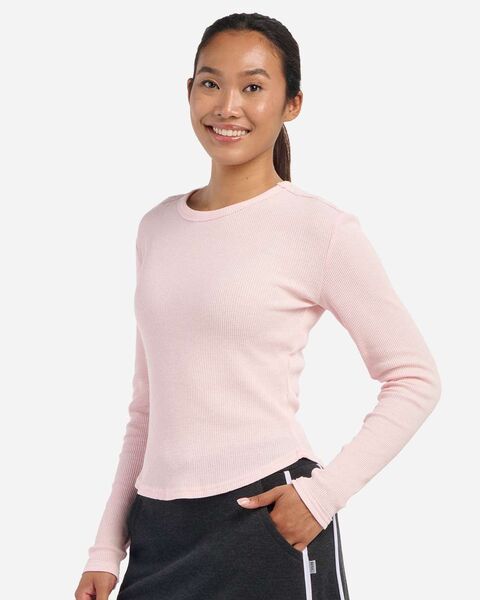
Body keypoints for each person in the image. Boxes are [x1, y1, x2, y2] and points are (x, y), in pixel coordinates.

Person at [75, 12, 441, 600]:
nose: (228, 106)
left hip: (265, 519)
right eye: (210, 83)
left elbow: (414, 377)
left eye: (253, 86)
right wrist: (105, 549)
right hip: (157, 532)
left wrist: (321, 497)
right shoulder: (157, 227)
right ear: (189, 91)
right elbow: (146, 410)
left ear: (292, 104)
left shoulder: (319, 229)